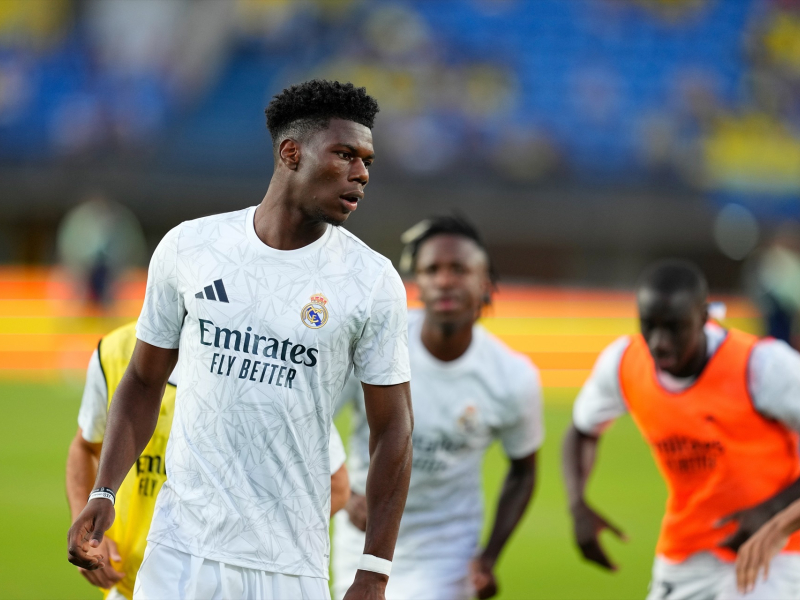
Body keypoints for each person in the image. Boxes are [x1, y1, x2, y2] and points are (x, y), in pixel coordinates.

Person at [67, 80, 414, 600]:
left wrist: (373, 571)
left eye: (366, 161)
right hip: (180, 553)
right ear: (290, 152)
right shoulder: (191, 247)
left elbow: (394, 430)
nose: (361, 173)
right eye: (345, 155)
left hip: (290, 565)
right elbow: (142, 380)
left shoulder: (372, 280)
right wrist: (103, 490)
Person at [333, 216, 544, 600]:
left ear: (485, 282)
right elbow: (314, 420)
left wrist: (489, 557)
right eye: (432, 270)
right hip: (364, 536)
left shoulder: (513, 376)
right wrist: (346, 494)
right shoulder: (376, 343)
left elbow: (523, 471)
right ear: (418, 284)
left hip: (445, 546)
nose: (445, 280)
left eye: (459, 269)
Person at [562, 259, 800, 600]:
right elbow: (582, 430)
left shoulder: (762, 365)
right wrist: (577, 504)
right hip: (688, 547)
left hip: (776, 548)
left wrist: (771, 513)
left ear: (704, 318)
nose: (659, 342)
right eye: (649, 326)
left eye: (674, 327)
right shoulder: (624, 364)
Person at [66, 321, 351, 599]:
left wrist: (250, 546)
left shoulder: (257, 357)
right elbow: (85, 445)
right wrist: (89, 534)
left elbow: (336, 485)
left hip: (223, 582)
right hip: (132, 583)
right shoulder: (114, 351)